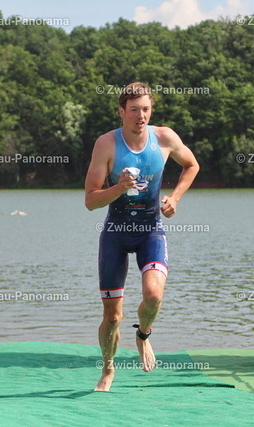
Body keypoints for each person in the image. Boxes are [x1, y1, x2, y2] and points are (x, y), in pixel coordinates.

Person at [85, 82, 199, 391]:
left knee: (153, 295)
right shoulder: (106, 144)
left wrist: (175, 198)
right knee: (112, 317)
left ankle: (143, 334)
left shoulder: (164, 138)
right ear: (121, 112)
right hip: (116, 233)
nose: (141, 116)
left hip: (150, 231)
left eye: (146, 109)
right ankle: (108, 369)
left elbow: (191, 165)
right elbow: (91, 200)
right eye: (134, 110)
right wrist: (119, 187)